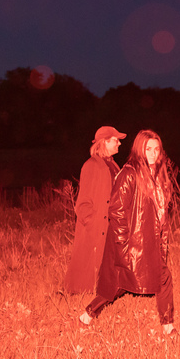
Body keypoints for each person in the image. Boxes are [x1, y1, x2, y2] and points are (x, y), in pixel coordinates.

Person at [79, 129, 175, 334]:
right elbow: (117, 210)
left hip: (150, 240)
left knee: (163, 278)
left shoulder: (157, 174)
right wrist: (123, 245)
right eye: (148, 149)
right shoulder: (129, 173)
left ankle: (168, 326)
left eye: (156, 149)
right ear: (139, 149)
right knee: (119, 285)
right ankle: (88, 314)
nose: (153, 154)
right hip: (132, 242)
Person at [61, 126, 125, 294]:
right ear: (105, 142)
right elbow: (83, 202)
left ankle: (109, 290)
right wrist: (91, 222)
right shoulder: (91, 166)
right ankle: (80, 292)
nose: (119, 143)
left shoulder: (113, 165)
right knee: (88, 264)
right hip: (97, 224)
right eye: (115, 140)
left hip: (111, 223)